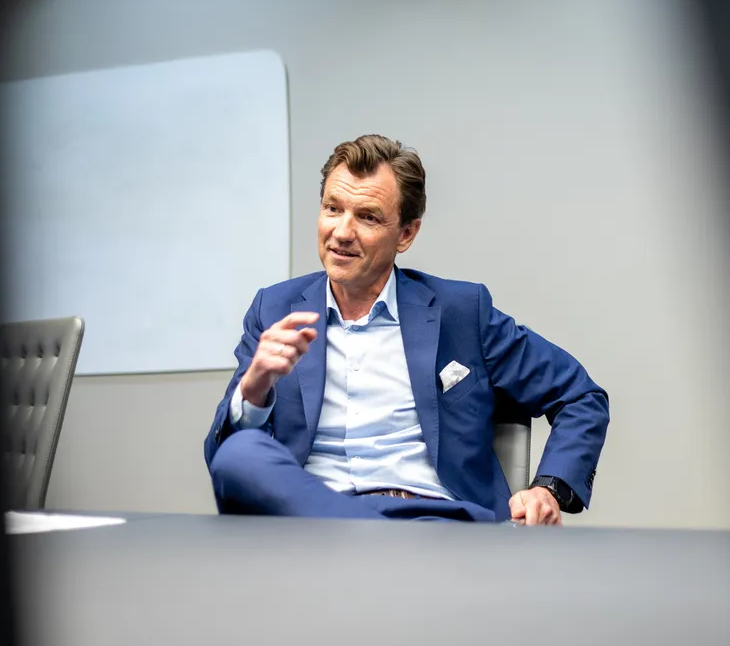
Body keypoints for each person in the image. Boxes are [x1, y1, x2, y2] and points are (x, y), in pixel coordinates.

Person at [204, 134, 609, 525]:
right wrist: (253, 389)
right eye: (333, 208)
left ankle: (363, 536)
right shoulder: (273, 309)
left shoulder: (461, 312)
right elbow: (222, 459)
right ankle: (360, 533)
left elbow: (580, 396)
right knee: (240, 453)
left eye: (367, 217)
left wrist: (548, 489)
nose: (341, 232)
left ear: (406, 234)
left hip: (431, 523)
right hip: (316, 525)